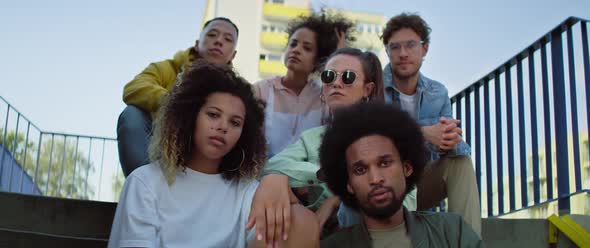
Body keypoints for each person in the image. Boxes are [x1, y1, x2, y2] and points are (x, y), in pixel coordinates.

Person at [108, 62, 319, 248]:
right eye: (213, 115)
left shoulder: (247, 192)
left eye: (235, 123)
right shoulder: (144, 182)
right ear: (190, 116)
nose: (222, 127)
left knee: (302, 218)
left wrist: (277, 179)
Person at [248, 48, 387, 242]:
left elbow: (406, 203)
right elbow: (273, 166)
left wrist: (336, 200)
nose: (336, 83)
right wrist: (325, 173)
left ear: (367, 89)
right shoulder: (312, 138)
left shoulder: (389, 136)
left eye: (347, 77)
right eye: (329, 76)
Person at [319, 102, 484, 247]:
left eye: (384, 163)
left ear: (407, 168)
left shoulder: (452, 231)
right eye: (360, 170)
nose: (376, 179)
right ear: (349, 184)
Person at [380, 12, 481, 234]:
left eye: (411, 45)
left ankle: (469, 241)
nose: (403, 53)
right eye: (395, 47)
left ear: (424, 49)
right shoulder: (374, 86)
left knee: (461, 162)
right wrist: (423, 132)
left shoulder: (438, 92)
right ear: (387, 51)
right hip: (382, 184)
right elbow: (372, 134)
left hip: (420, 184)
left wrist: (449, 140)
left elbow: (449, 146)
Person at [117, 17, 239, 177]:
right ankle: (142, 185)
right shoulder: (168, 68)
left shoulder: (239, 90)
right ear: (197, 43)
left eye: (227, 39)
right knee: (132, 114)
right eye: (212, 35)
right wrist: (177, 103)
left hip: (208, 159)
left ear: (233, 54)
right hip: (161, 148)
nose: (218, 41)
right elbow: (134, 88)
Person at [253, 11, 354, 157]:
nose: (296, 50)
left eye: (307, 48)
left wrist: (339, 57)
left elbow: (344, 125)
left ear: (319, 59)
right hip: (263, 178)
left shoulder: (324, 97)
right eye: (293, 44)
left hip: (309, 178)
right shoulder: (261, 90)